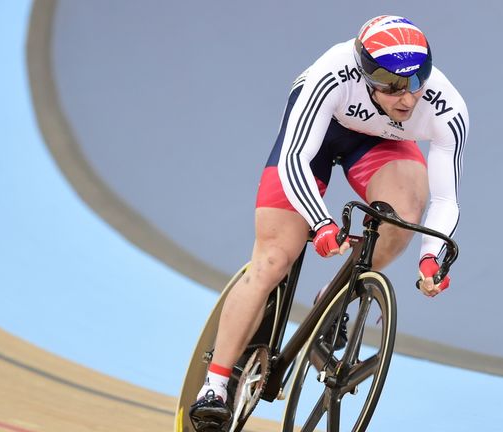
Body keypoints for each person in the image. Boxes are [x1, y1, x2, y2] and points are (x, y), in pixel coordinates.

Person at [189, 15, 469, 431]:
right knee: (272, 260)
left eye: (416, 81)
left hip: (380, 143)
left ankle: (332, 295)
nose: (407, 97)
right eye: (392, 85)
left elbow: (446, 198)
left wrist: (432, 257)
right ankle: (214, 385)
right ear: (365, 73)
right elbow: (294, 159)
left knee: (405, 212)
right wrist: (320, 223)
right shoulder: (330, 74)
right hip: (315, 140)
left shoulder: (446, 107)